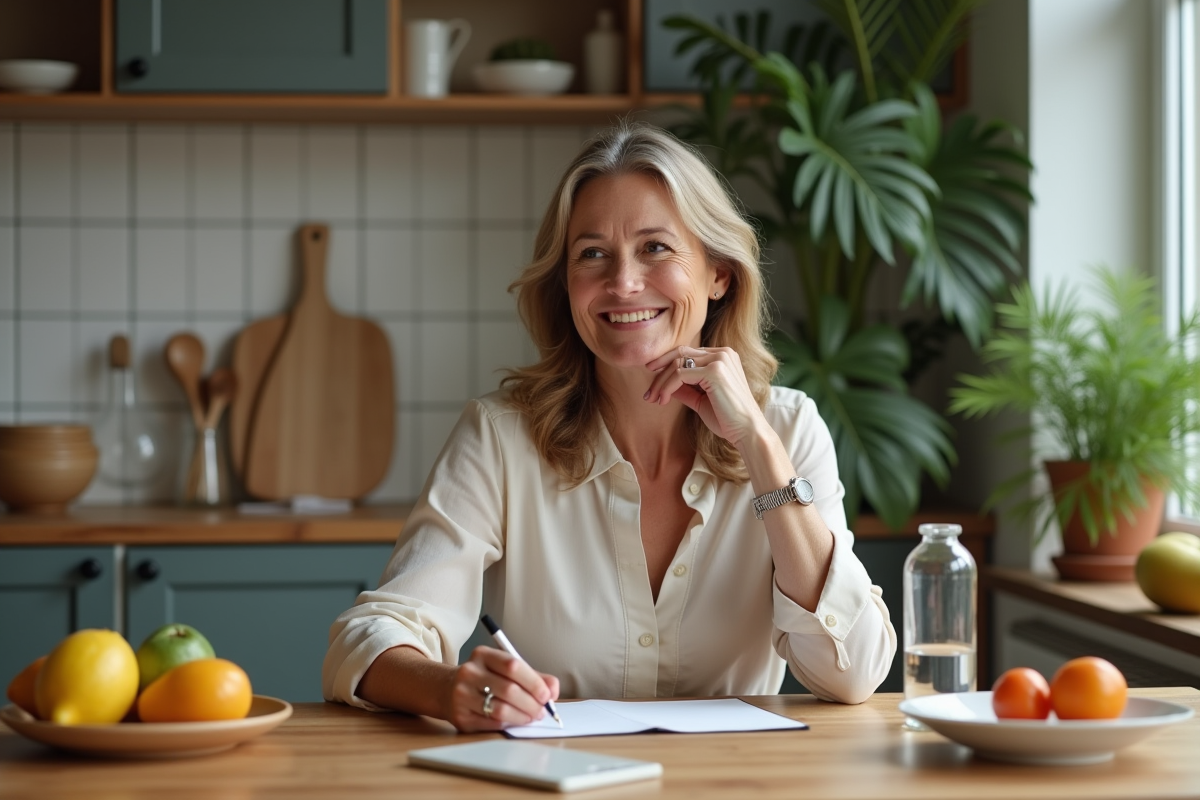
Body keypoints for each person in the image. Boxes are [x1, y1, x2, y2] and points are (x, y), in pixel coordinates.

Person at [322, 122, 896, 732]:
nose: (623, 283)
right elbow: (365, 639)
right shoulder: (500, 435)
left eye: (656, 248)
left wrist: (756, 445)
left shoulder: (786, 427)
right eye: (592, 254)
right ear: (566, 284)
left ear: (719, 274)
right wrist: (451, 690)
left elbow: (853, 672)